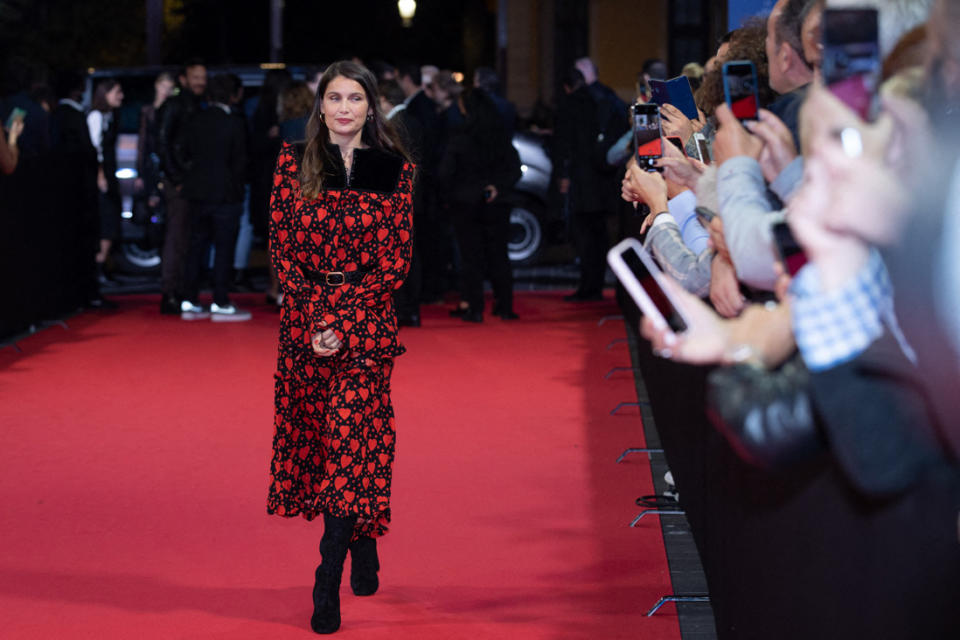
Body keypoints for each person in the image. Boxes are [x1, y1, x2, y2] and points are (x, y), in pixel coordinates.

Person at [265, 60, 414, 635]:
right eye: (335, 97)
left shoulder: (390, 170)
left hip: (367, 328)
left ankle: (325, 583)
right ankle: (365, 536)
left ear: (370, 107)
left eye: (356, 98)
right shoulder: (294, 164)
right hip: (305, 326)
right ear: (320, 107)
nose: (345, 107)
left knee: (354, 437)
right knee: (329, 447)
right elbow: (283, 254)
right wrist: (317, 321)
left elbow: (394, 264)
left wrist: (343, 323)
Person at [438, 89, 522, 322]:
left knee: (470, 256)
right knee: (499, 255)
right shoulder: (500, 136)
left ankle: (474, 307)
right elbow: (514, 169)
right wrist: (498, 186)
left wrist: (448, 196)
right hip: (497, 202)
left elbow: (446, 172)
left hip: (465, 203)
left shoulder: (460, 136)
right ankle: (504, 305)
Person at [178, 74, 249, 321]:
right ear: (232, 94)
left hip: (197, 192)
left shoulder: (195, 119)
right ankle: (220, 300)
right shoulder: (234, 123)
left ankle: (189, 298)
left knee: (195, 246)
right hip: (226, 193)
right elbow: (240, 161)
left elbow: (183, 151)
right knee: (223, 247)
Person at [157, 60, 207, 314]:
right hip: (178, 181)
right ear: (183, 78)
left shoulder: (197, 104)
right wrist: (176, 178)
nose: (201, 81)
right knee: (177, 237)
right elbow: (163, 143)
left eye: (203, 77)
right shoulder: (175, 105)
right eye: (196, 76)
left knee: (187, 238)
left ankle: (180, 291)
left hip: (190, 181)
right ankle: (170, 292)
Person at [86, 79, 124, 297]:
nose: (121, 96)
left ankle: (102, 267)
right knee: (105, 222)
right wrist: (100, 175)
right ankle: (97, 269)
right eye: (117, 92)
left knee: (111, 221)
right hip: (101, 175)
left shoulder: (110, 116)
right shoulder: (96, 117)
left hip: (109, 173)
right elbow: (94, 148)